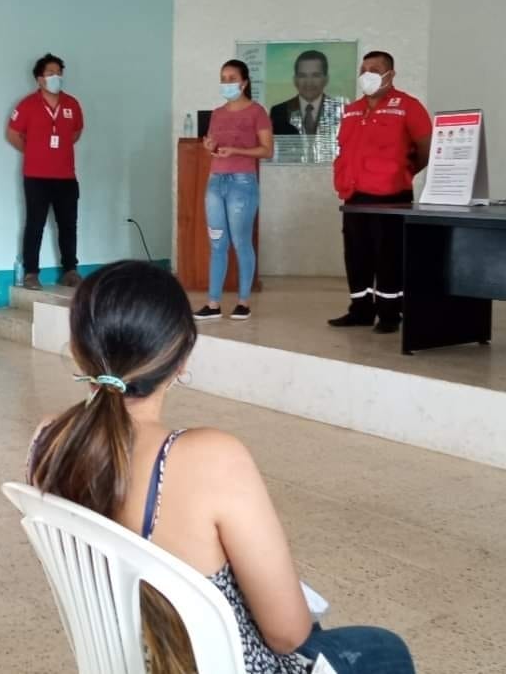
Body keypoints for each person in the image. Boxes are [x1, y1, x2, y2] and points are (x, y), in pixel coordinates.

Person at [28, 260, 415, 674]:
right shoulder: (209, 458)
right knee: (384, 648)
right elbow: (287, 635)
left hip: (133, 661)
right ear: (181, 359)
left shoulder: (48, 441)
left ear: (77, 351)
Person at [329, 51, 432, 334]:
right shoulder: (352, 109)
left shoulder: (408, 106)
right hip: (354, 194)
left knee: (388, 256)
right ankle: (361, 310)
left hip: (391, 196)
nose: (367, 75)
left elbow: (426, 148)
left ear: (390, 74)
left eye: (374, 69)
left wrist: (404, 172)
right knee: (356, 255)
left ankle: (390, 313)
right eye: (363, 69)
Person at [195, 60, 273, 321]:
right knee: (217, 243)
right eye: (223, 78)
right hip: (215, 181)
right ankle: (213, 303)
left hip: (242, 183)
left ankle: (243, 302)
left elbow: (267, 150)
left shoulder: (257, 112)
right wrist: (209, 146)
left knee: (241, 241)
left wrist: (237, 151)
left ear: (244, 82)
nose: (226, 83)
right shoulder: (217, 113)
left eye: (232, 78)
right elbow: (213, 143)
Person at [6, 52, 85, 291]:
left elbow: (76, 133)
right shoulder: (27, 105)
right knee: (35, 225)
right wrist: (34, 151)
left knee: (68, 225)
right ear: (40, 79)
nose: (56, 77)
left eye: (59, 73)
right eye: (50, 73)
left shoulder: (72, 104)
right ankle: (31, 273)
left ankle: (70, 271)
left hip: (66, 176)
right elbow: (13, 134)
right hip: (36, 177)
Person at [269, 50, 346, 145]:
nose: (309, 82)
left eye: (316, 75)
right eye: (302, 76)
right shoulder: (279, 112)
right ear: (295, 80)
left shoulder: (341, 110)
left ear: (326, 79)